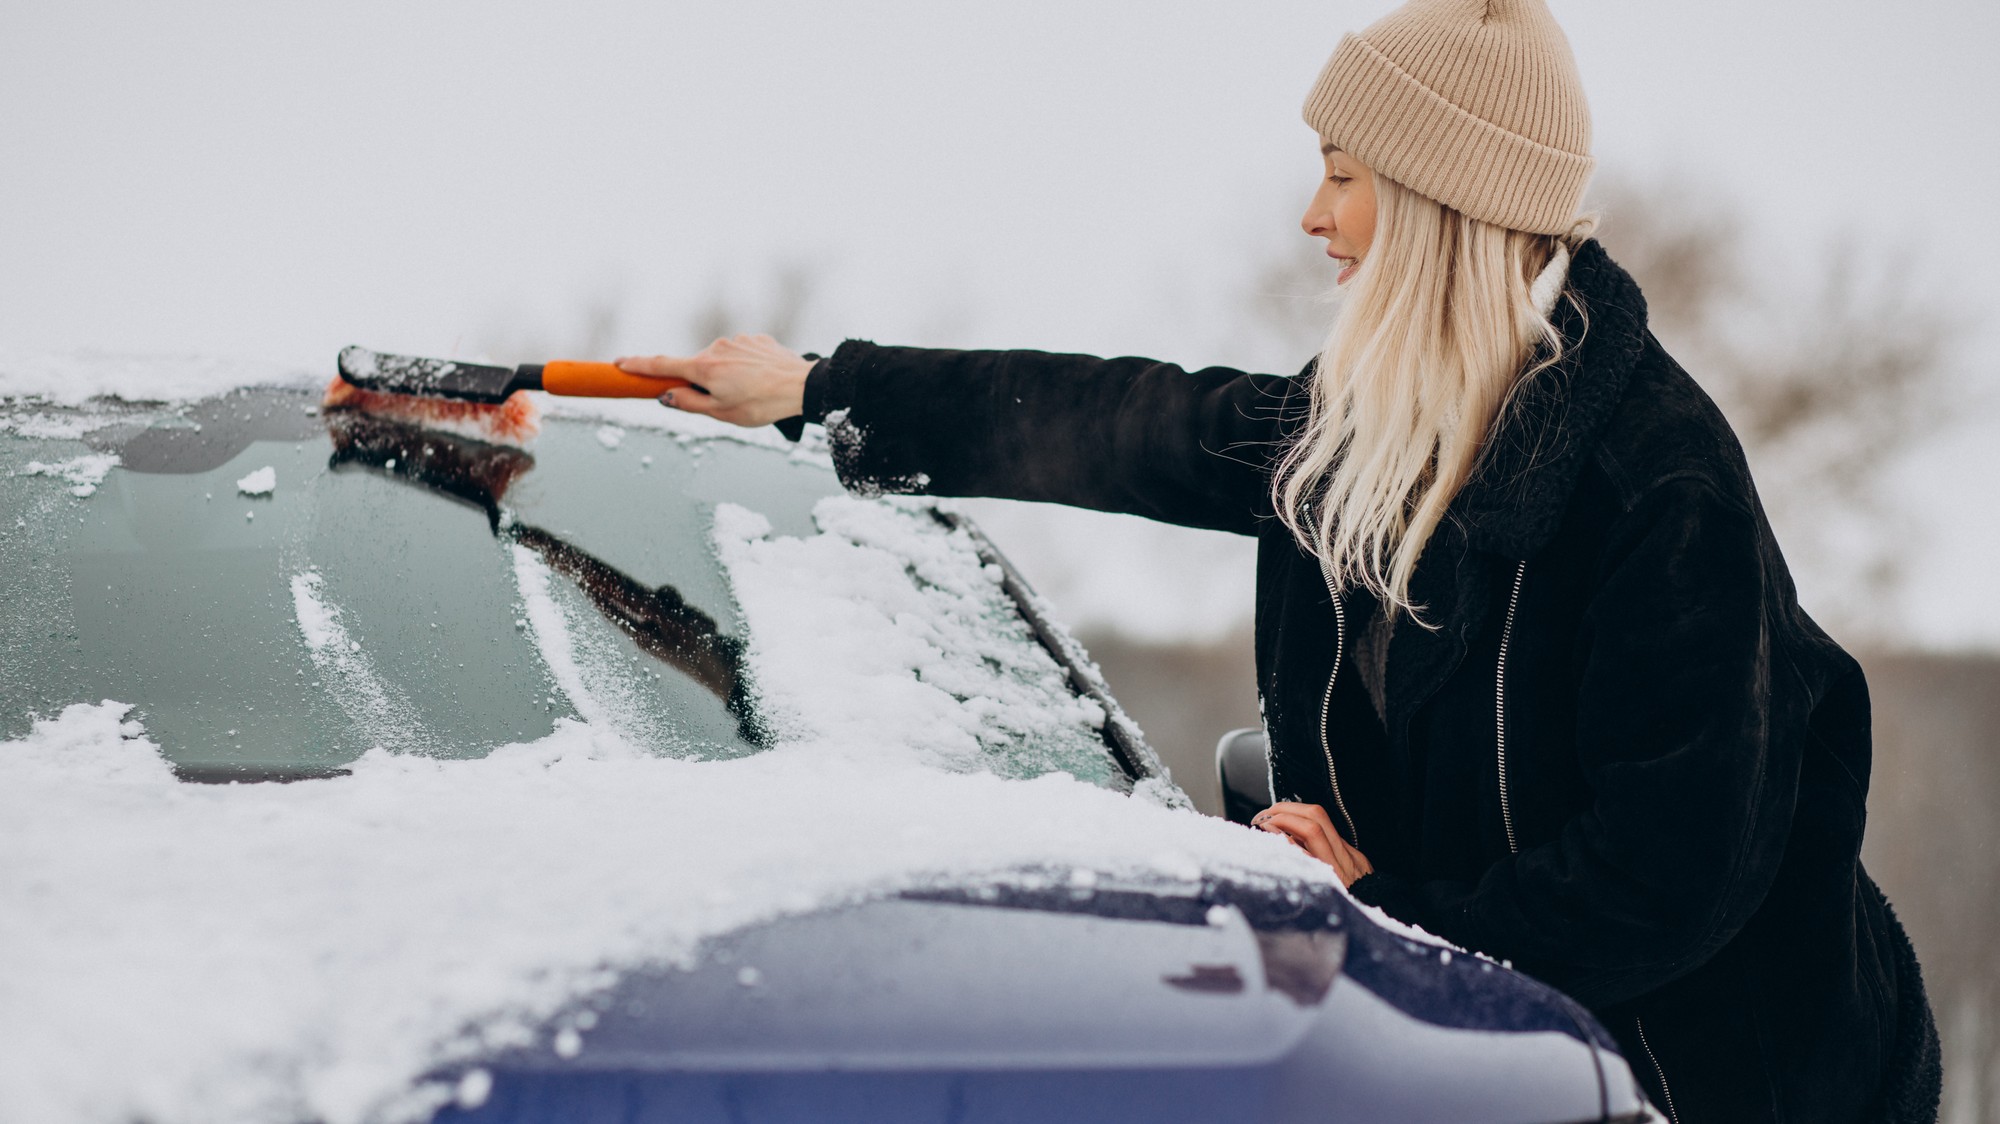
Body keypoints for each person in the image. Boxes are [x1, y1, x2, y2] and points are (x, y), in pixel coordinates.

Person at [614, 0, 1941, 1118]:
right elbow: (1127, 424)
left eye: (1344, 175)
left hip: (1730, 1079)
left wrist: (1381, 912)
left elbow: (1667, 880)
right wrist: (821, 389)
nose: (1314, 214)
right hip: (1497, 1051)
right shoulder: (1377, 425)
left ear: (1438, 199)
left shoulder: (1657, 488)